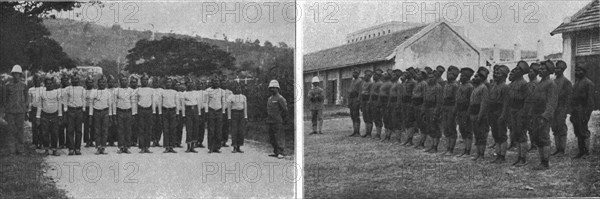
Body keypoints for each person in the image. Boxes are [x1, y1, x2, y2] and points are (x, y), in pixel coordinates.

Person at [529, 61, 558, 170]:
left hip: (543, 115)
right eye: (540, 68)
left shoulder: (551, 84)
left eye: (543, 69)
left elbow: (552, 103)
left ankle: (545, 162)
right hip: (536, 114)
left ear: (549, 71)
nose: (540, 70)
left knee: (544, 138)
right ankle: (542, 161)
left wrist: (545, 116)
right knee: (538, 138)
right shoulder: (540, 83)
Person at [483, 65, 510, 163]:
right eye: (495, 73)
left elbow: (506, 103)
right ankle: (498, 155)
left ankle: (502, 156)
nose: (495, 75)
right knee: (496, 135)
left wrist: (503, 115)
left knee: (502, 135)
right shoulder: (494, 85)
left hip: (499, 112)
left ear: (504, 76)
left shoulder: (505, 87)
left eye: (498, 73)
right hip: (492, 112)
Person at [507, 61, 531, 166]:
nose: (515, 70)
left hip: (520, 110)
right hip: (513, 110)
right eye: (516, 68)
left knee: (522, 135)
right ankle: (519, 157)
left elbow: (527, 100)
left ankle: (523, 158)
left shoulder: (524, 84)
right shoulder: (512, 83)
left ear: (522, 72)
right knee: (516, 133)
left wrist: (524, 113)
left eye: (518, 69)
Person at [1, 65, 28, 155]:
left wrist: (25, 107)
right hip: (10, 112)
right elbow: (4, 100)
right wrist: (5, 111)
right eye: (15, 74)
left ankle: (20, 149)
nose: (16, 75)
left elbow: (26, 97)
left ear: (20, 75)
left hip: (20, 111)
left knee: (20, 131)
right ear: (12, 74)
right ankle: (11, 150)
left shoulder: (24, 85)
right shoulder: (7, 85)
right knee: (11, 130)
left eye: (18, 74)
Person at [570, 65, 595, 159]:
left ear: (584, 71)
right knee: (578, 130)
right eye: (576, 70)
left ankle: (587, 151)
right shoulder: (576, 83)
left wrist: (586, 114)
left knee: (583, 130)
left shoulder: (588, 83)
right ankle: (581, 150)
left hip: (583, 109)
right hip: (576, 110)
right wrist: (572, 111)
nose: (577, 72)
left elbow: (590, 101)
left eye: (579, 70)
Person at [551, 60, 572, 156]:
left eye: (558, 68)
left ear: (562, 70)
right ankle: (557, 148)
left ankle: (562, 150)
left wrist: (565, 111)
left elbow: (568, 98)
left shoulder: (566, 82)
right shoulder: (554, 81)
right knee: (555, 127)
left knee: (561, 127)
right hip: (554, 108)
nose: (556, 70)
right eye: (556, 68)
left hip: (561, 108)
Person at [37, 77, 63, 156]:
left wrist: (60, 115)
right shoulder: (42, 93)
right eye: (47, 84)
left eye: (50, 83)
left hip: (54, 115)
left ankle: (54, 149)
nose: (49, 85)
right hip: (45, 115)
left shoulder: (57, 92)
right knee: (45, 133)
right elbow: (39, 106)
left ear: (53, 84)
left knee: (54, 133)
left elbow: (59, 104)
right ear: (45, 84)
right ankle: (46, 149)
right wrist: (38, 117)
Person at [470, 67, 490, 161]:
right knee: (477, 134)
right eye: (475, 76)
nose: (474, 78)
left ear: (481, 78)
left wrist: (480, 115)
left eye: (477, 76)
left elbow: (483, 103)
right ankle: (478, 153)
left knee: (482, 135)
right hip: (474, 113)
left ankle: (481, 154)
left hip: (480, 114)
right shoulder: (475, 87)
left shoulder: (483, 88)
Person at [89, 76, 112, 155]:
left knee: (105, 130)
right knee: (97, 130)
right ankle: (98, 147)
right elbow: (91, 104)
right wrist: (90, 115)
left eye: (103, 82)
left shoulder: (108, 93)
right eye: (100, 82)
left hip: (105, 112)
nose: (101, 84)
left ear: (105, 83)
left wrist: (110, 115)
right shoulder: (94, 92)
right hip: (96, 112)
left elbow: (110, 105)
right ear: (97, 83)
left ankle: (103, 147)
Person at [266, 80, 288, 159]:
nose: (272, 89)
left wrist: (283, 119)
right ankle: (276, 151)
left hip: (278, 121)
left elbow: (285, 110)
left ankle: (280, 152)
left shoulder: (280, 98)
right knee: (272, 137)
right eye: (271, 88)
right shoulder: (269, 99)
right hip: (270, 121)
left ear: (277, 89)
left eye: (274, 88)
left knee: (279, 136)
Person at [440, 66, 459, 155]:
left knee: (451, 128)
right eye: (448, 73)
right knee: (446, 128)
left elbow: (456, 99)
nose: (448, 75)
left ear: (455, 76)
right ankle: (448, 147)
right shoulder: (446, 84)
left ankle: (451, 149)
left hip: (451, 107)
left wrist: (454, 110)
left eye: (451, 74)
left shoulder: (455, 85)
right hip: (445, 107)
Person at [65, 76, 86, 155]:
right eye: (73, 79)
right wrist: (65, 110)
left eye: (76, 79)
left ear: (78, 80)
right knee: (70, 130)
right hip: (70, 110)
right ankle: (71, 148)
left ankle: (77, 148)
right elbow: (65, 100)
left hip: (79, 110)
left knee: (79, 130)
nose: (75, 80)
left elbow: (83, 100)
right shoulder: (67, 89)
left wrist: (83, 110)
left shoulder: (82, 89)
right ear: (71, 80)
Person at [456, 67, 474, 157]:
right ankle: (465, 149)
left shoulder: (470, 87)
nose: (461, 77)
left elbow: (471, 101)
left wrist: (468, 112)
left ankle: (468, 150)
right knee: (462, 130)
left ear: (467, 77)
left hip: (466, 111)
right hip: (460, 110)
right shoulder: (460, 86)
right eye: (461, 75)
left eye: (463, 76)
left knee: (468, 131)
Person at [422, 69, 443, 153]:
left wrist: (436, 112)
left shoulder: (438, 87)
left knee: (435, 128)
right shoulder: (427, 86)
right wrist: (423, 110)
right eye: (429, 77)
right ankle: (432, 145)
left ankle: (435, 146)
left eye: (432, 77)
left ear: (435, 78)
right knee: (430, 127)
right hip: (427, 108)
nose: (430, 79)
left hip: (434, 108)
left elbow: (439, 101)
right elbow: (424, 99)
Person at [115, 76, 135, 154]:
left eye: (125, 80)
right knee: (120, 130)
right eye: (122, 80)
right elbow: (114, 102)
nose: (124, 82)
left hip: (128, 111)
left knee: (128, 130)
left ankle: (127, 146)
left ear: (128, 81)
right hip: (120, 111)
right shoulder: (117, 90)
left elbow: (133, 102)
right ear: (120, 82)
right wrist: (114, 114)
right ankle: (121, 146)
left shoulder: (131, 91)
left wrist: (133, 114)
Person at [206, 76, 226, 153]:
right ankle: (210, 147)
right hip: (211, 111)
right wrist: (207, 112)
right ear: (212, 82)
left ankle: (217, 147)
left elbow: (223, 102)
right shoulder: (207, 91)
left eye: (217, 81)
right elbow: (206, 102)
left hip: (219, 111)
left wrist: (223, 112)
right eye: (214, 81)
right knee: (211, 130)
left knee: (218, 130)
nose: (216, 83)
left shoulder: (222, 91)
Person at [524, 63, 540, 152]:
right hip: (527, 108)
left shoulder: (537, 84)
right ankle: (533, 144)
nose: (529, 74)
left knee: (534, 127)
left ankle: (535, 145)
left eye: (532, 72)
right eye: (529, 72)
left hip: (533, 108)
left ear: (536, 73)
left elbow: (535, 98)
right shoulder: (528, 84)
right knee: (530, 127)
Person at [136, 75, 154, 153]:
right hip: (141, 110)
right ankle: (142, 147)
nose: (144, 81)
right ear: (141, 81)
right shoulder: (138, 90)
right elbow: (135, 101)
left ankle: (147, 146)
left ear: (148, 81)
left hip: (149, 110)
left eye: (146, 80)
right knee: (141, 129)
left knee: (148, 129)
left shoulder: (151, 90)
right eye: (143, 80)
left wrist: (153, 112)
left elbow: (153, 101)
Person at [227, 84, 247, 153]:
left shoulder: (243, 97)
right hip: (234, 114)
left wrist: (245, 116)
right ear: (234, 89)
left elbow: (245, 107)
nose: (238, 89)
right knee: (234, 130)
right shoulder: (231, 97)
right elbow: (229, 108)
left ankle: (239, 146)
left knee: (241, 131)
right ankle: (234, 146)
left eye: (239, 88)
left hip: (241, 114)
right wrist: (229, 117)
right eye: (236, 88)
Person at [160, 78, 179, 153]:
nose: (169, 84)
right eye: (167, 82)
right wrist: (160, 113)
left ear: (172, 84)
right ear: (165, 84)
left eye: (170, 82)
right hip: (165, 111)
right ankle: (166, 146)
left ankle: (172, 146)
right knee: (166, 129)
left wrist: (177, 113)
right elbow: (160, 103)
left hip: (172, 111)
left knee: (172, 129)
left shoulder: (175, 92)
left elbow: (177, 102)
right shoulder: (163, 92)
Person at [181, 79, 199, 153]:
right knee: (189, 129)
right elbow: (182, 105)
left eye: (191, 83)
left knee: (195, 128)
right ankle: (188, 146)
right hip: (188, 111)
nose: (190, 85)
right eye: (188, 83)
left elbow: (198, 103)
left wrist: (199, 113)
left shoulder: (196, 93)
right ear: (186, 85)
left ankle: (193, 146)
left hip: (195, 110)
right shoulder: (184, 94)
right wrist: (183, 114)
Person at [412, 69, 428, 149]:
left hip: (420, 104)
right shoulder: (417, 83)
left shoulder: (424, 83)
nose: (417, 76)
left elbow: (425, 96)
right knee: (419, 123)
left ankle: (422, 143)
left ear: (423, 76)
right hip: (415, 104)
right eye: (417, 74)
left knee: (423, 125)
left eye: (419, 74)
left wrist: (423, 107)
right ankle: (420, 142)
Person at [401, 68, 418, 146]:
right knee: (406, 121)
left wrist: (412, 104)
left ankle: (410, 139)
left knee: (410, 121)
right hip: (404, 103)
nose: (405, 74)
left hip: (410, 103)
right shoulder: (405, 82)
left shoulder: (414, 82)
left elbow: (414, 94)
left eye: (407, 73)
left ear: (411, 74)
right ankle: (407, 139)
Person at [28, 75, 44, 149]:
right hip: (34, 109)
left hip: (42, 110)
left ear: (40, 81)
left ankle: (41, 143)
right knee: (34, 127)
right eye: (35, 80)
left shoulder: (44, 89)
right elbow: (29, 101)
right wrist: (29, 111)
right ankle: (35, 143)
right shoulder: (30, 90)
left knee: (42, 127)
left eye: (38, 80)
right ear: (33, 81)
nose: (37, 81)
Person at [347, 67, 363, 137]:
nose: (354, 74)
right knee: (352, 115)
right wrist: (348, 101)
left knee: (356, 115)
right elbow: (349, 91)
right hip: (351, 99)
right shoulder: (352, 81)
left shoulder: (360, 81)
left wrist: (358, 101)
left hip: (356, 99)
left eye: (356, 73)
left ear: (358, 73)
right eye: (353, 72)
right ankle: (354, 131)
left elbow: (360, 92)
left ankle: (357, 131)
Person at [379, 72, 393, 141]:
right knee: (384, 119)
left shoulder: (390, 84)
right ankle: (386, 135)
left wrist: (388, 103)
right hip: (382, 102)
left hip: (386, 102)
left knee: (388, 119)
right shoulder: (383, 83)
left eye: (385, 74)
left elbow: (390, 95)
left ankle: (388, 136)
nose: (383, 75)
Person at [370, 69, 384, 140]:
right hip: (373, 102)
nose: (374, 76)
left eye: (376, 75)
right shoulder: (374, 83)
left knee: (378, 118)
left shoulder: (380, 83)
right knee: (375, 118)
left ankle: (379, 134)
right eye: (374, 74)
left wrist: (378, 104)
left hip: (377, 102)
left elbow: (380, 95)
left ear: (379, 76)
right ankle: (377, 133)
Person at [360, 70, 374, 137]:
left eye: (367, 76)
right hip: (363, 100)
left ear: (370, 77)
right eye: (365, 75)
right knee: (365, 116)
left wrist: (369, 101)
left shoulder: (371, 83)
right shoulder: (363, 83)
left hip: (368, 99)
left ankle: (369, 133)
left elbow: (371, 93)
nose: (365, 77)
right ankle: (366, 131)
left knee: (369, 117)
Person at [83, 77, 95, 147]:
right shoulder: (84, 91)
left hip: (93, 109)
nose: (89, 84)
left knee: (93, 125)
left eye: (91, 82)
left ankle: (92, 141)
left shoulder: (95, 91)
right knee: (86, 126)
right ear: (86, 83)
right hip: (86, 109)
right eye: (88, 82)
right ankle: (87, 141)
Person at [58, 75, 70, 149]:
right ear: (61, 81)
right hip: (61, 107)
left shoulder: (70, 89)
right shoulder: (58, 90)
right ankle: (61, 143)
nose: (65, 81)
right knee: (60, 126)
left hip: (69, 108)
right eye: (63, 80)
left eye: (66, 80)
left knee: (69, 126)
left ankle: (69, 143)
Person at [152, 77, 163, 147]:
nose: (156, 83)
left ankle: (158, 140)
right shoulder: (151, 90)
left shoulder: (161, 90)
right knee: (152, 125)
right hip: (152, 110)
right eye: (154, 82)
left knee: (159, 125)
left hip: (160, 111)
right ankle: (153, 140)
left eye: (157, 82)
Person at [107, 76, 119, 147]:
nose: (111, 83)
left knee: (115, 126)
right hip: (108, 109)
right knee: (108, 126)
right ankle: (109, 141)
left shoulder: (116, 90)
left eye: (112, 82)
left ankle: (113, 141)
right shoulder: (105, 90)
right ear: (107, 83)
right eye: (110, 82)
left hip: (115, 109)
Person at [196, 80, 207, 148]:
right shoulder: (195, 92)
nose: (200, 85)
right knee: (196, 126)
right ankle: (195, 141)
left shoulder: (205, 93)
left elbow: (206, 102)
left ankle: (200, 141)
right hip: (197, 110)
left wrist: (206, 111)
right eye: (199, 84)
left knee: (202, 126)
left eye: (201, 84)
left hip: (203, 110)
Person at [221, 81, 233, 147]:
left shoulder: (230, 92)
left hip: (227, 111)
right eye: (223, 83)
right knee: (220, 126)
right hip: (220, 110)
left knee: (226, 126)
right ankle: (219, 141)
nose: (224, 84)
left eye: (225, 83)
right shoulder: (219, 91)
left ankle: (224, 141)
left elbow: (232, 102)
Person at [174, 81, 185, 148]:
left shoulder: (182, 94)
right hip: (174, 112)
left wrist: (183, 114)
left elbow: (183, 105)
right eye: (176, 85)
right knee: (174, 128)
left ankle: (178, 142)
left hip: (180, 112)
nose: (178, 87)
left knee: (180, 128)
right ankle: (174, 142)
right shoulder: (173, 93)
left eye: (179, 85)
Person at [130, 77, 140, 147]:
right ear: (130, 83)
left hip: (137, 111)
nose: (134, 83)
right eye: (132, 82)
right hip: (129, 110)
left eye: (135, 82)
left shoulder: (139, 90)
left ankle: (135, 141)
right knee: (130, 127)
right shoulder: (128, 90)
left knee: (136, 127)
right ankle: (130, 141)